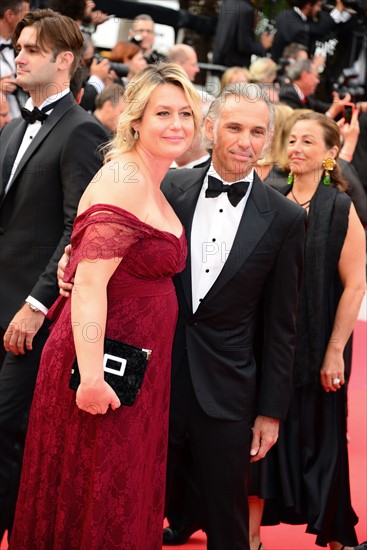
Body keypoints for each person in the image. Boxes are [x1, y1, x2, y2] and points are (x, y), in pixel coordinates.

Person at [58, 82, 307, 549]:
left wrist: (270, 412)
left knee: (226, 517)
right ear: (210, 128)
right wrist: (69, 263)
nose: (244, 141)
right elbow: (111, 247)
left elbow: (281, 326)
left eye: (257, 131)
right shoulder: (167, 187)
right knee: (133, 499)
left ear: (268, 139)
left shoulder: (286, 218)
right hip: (152, 377)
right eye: (233, 127)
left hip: (228, 390)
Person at [9, 62, 202, 550]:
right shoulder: (123, 178)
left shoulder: (150, 178)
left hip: (132, 371)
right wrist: (92, 377)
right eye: (163, 112)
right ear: (135, 119)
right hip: (100, 371)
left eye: (186, 113)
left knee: (115, 494)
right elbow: (91, 286)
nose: (177, 124)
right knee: (93, 500)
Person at [0, 8, 109, 539]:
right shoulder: (14, 126)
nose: (17, 55)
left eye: (31, 49)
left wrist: (37, 304)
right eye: (17, 46)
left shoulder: (83, 131)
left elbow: (78, 227)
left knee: (9, 429)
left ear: (64, 60)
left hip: (32, 315)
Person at [249, 111, 366, 550]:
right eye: (292, 140)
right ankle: (251, 539)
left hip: (321, 345)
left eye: (308, 142)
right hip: (270, 345)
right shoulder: (270, 196)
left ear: (331, 154)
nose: (296, 148)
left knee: (324, 436)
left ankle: (336, 537)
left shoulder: (340, 207)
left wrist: (336, 349)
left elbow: (355, 284)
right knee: (259, 440)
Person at [271, 0, 350, 63]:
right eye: (318, 5)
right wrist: (338, 10)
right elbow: (319, 29)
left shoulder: (284, 14)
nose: (319, 9)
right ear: (308, 5)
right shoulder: (300, 29)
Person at [212, 0, 274, 68]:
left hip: (221, 62)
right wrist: (262, 46)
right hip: (235, 67)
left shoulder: (228, 3)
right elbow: (244, 45)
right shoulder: (247, 9)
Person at [0, 0, 30, 119]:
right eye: (25, 15)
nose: (29, 20)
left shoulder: (24, 44)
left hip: (22, 120)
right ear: (9, 15)